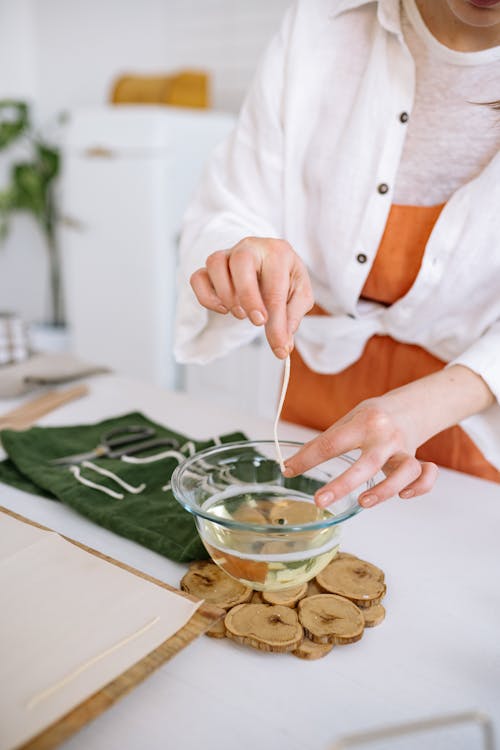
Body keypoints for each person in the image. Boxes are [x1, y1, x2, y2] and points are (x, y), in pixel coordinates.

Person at [174, 0, 500, 509]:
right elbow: (236, 200)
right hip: (315, 388)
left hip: (468, 418)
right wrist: (244, 251)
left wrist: (425, 407)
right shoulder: (321, 22)